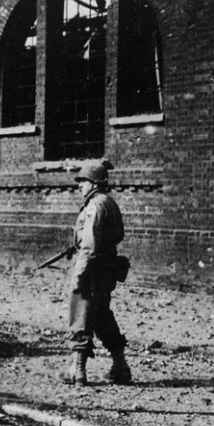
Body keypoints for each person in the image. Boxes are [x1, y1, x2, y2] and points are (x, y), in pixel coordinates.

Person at [62, 161, 132, 387]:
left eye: (82, 182)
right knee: (102, 316)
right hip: (105, 271)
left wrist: (79, 275)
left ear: (94, 183)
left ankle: (77, 370)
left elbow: (89, 246)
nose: (79, 186)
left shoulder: (94, 206)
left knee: (80, 314)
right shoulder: (110, 203)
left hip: (91, 270)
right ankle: (120, 367)